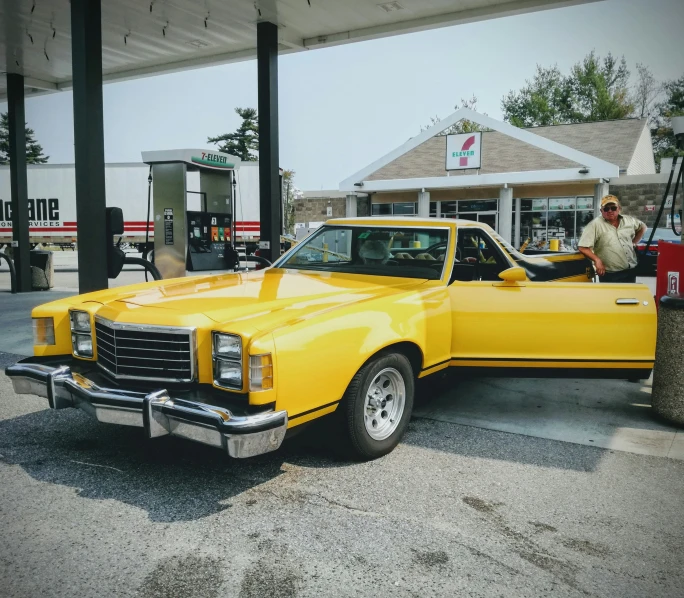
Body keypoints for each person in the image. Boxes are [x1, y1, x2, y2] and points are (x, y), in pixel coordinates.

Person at [578, 195, 646, 283]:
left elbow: (643, 227)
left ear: (619, 208)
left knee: (629, 296)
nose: (610, 211)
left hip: (630, 270)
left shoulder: (629, 221)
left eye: (613, 208)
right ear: (601, 211)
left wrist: (634, 242)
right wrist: (597, 260)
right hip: (610, 275)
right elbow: (582, 247)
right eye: (606, 209)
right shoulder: (594, 225)